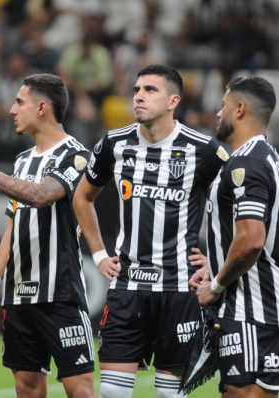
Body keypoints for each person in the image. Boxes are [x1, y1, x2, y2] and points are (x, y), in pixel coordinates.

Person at [72, 64, 229, 398]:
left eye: (150, 90)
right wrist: (99, 254)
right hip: (127, 286)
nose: (139, 96)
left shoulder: (204, 150)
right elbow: (82, 197)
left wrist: (216, 262)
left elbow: (236, 208)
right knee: (112, 394)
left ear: (173, 100)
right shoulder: (114, 143)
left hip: (179, 289)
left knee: (168, 395)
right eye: (136, 90)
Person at [0, 73, 95, 398]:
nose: (12, 110)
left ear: (42, 107)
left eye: (19, 102)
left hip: (60, 295)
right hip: (18, 296)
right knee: (26, 387)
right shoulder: (22, 160)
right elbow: (14, 223)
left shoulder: (76, 155)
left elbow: (41, 195)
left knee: (79, 389)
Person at [190, 76, 279, 397]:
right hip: (257, 302)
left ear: (239, 108)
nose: (217, 113)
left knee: (241, 393)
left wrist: (217, 285)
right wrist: (217, 263)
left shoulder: (247, 163)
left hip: (252, 305)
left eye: (223, 105)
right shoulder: (265, 157)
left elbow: (252, 240)